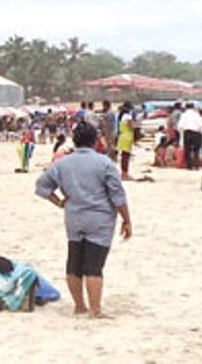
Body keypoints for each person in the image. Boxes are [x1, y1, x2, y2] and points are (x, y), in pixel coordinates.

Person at [35, 122, 132, 318]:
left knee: (74, 262)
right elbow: (118, 196)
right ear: (95, 141)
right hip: (100, 218)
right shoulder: (105, 163)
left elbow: (42, 187)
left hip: (74, 217)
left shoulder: (62, 163)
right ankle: (95, 310)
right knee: (94, 266)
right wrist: (126, 220)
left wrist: (61, 203)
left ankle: (79, 306)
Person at [178, 103, 202, 170]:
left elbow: (180, 126)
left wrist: (181, 134)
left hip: (188, 133)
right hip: (196, 133)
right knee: (196, 150)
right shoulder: (196, 115)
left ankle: (190, 165)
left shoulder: (184, 115)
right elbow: (200, 125)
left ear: (186, 107)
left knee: (188, 150)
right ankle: (196, 165)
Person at [115, 102, 136, 180]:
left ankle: (123, 173)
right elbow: (131, 127)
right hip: (127, 136)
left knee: (124, 156)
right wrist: (136, 124)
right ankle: (125, 174)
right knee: (126, 156)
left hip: (122, 136)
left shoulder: (121, 116)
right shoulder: (128, 116)